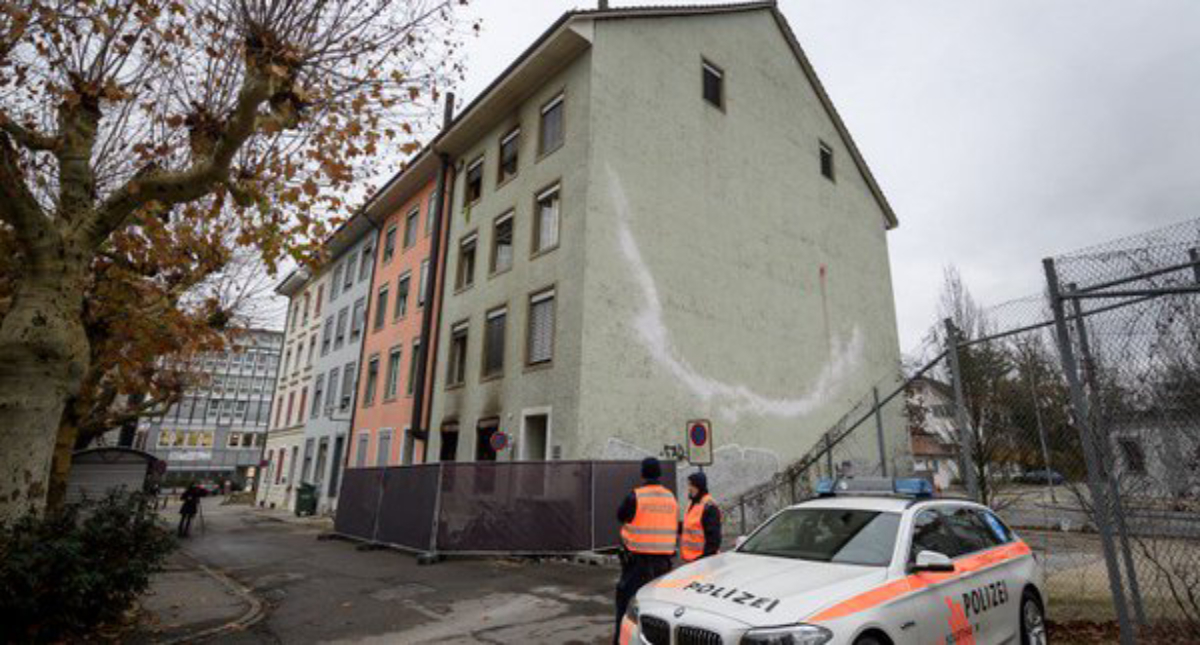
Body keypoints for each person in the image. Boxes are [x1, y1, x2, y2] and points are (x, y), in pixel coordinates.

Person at [614, 457, 678, 643]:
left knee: (627, 609)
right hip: (664, 566)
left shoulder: (636, 496)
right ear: (659, 473)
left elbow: (621, 516)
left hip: (637, 564)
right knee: (658, 611)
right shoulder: (670, 498)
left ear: (643, 473)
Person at [679, 471, 722, 563]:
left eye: (691, 485)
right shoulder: (693, 503)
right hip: (691, 560)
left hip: (702, 561)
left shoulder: (709, 507)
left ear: (699, 487)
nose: (689, 489)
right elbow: (689, 527)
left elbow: (713, 541)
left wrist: (703, 561)